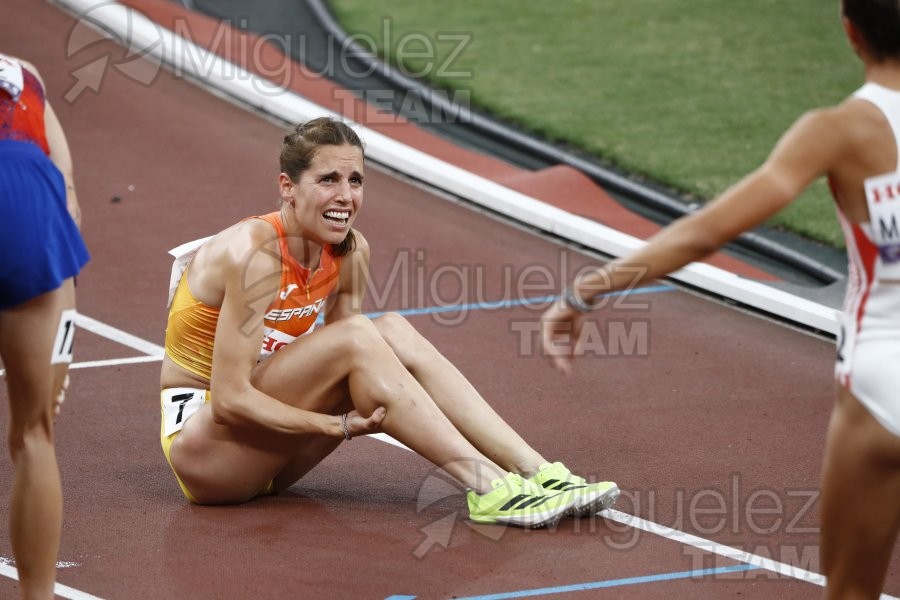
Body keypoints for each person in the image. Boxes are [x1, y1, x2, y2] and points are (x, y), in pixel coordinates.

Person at [541, 0, 900, 596]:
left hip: (879, 381)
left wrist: (587, 290)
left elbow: (710, 230)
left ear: (849, 31)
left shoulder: (840, 129)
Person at [159, 116, 619, 528]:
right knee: (360, 335)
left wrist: (358, 410)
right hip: (208, 459)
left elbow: (354, 365)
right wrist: (334, 428)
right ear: (287, 186)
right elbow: (231, 400)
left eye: (355, 180)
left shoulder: (349, 251)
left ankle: (535, 471)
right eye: (328, 180)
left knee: (391, 329)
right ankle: (488, 486)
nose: (345, 196)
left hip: (272, 460)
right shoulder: (253, 254)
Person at [0, 53, 89, 600]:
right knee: (35, 433)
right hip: (31, 201)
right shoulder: (25, 73)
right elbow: (68, 201)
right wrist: (60, 351)